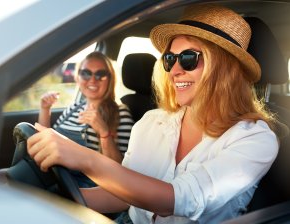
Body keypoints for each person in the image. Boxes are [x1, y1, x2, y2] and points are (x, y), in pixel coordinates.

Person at [27, 4, 279, 223]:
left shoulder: (256, 139)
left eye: (188, 58)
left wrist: (85, 159)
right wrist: (44, 197)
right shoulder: (152, 122)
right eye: (170, 59)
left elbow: (181, 199)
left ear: (224, 69)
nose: (174, 70)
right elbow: (122, 195)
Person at [38, 51, 134, 187]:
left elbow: (120, 170)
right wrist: (45, 109)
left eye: (100, 74)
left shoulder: (120, 112)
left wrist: (103, 132)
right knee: (2, 176)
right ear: (78, 78)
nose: (92, 79)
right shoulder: (75, 107)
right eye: (86, 73)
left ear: (110, 78)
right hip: (53, 176)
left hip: (80, 188)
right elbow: (45, 140)